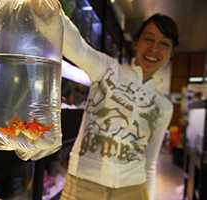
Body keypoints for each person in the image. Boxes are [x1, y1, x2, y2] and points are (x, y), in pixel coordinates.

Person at [59, 9, 179, 200]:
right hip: (84, 184)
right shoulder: (107, 69)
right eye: (149, 39)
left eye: (164, 44)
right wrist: (47, 8)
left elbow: (150, 162)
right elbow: (77, 47)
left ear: (171, 53)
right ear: (136, 43)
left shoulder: (164, 106)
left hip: (133, 190)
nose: (154, 49)